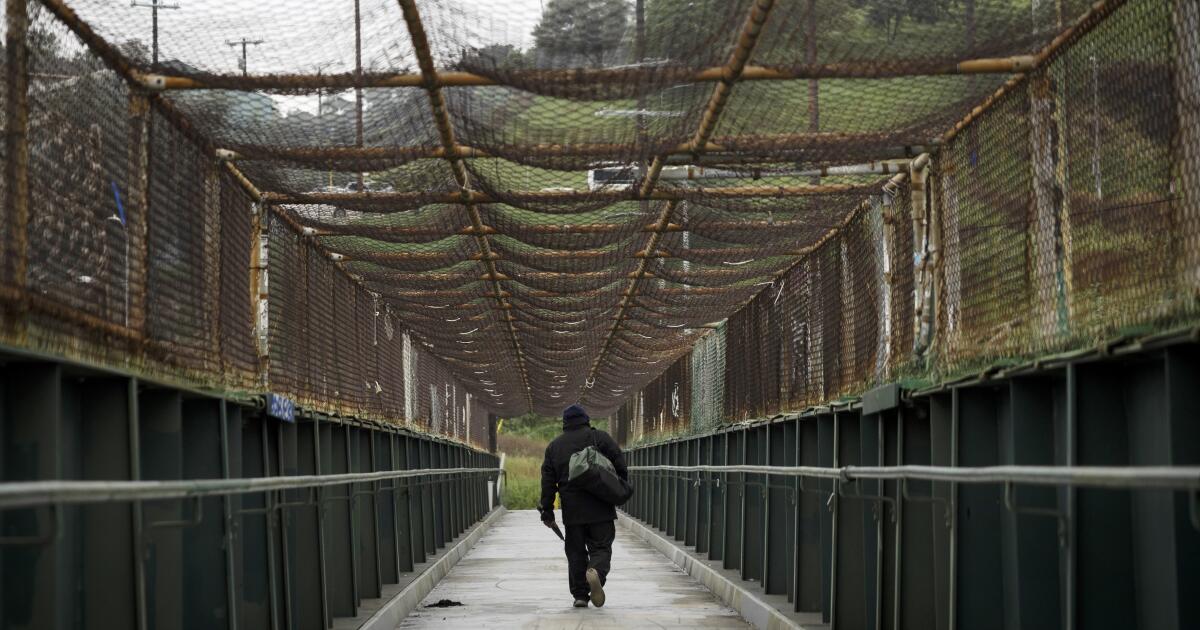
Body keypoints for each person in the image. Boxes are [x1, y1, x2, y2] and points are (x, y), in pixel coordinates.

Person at [538, 404, 628, 608]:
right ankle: (595, 571)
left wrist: (547, 510)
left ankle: (580, 595)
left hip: (573, 511)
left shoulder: (555, 446)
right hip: (601, 506)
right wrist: (617, 486)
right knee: (601, 547)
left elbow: (548, 482)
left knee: (576, 552)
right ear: (586, 420)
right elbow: (620, 464)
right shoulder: (600, 438)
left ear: (565, 423)